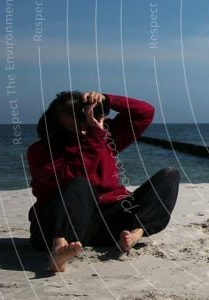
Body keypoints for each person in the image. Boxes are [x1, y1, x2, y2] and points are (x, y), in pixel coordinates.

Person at [28, 91, 179, 274]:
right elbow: (76, 175)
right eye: (73, 115)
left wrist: (108, 100)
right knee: (80, 184)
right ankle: (59, 249)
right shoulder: (42, 150)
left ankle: (137, 231)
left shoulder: (105, 135)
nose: (81, 119)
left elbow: (145, 112)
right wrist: (93, 136)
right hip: (58, 224)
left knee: (169, 176)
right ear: (57, 118)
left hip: (105, 223)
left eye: (83, 112)